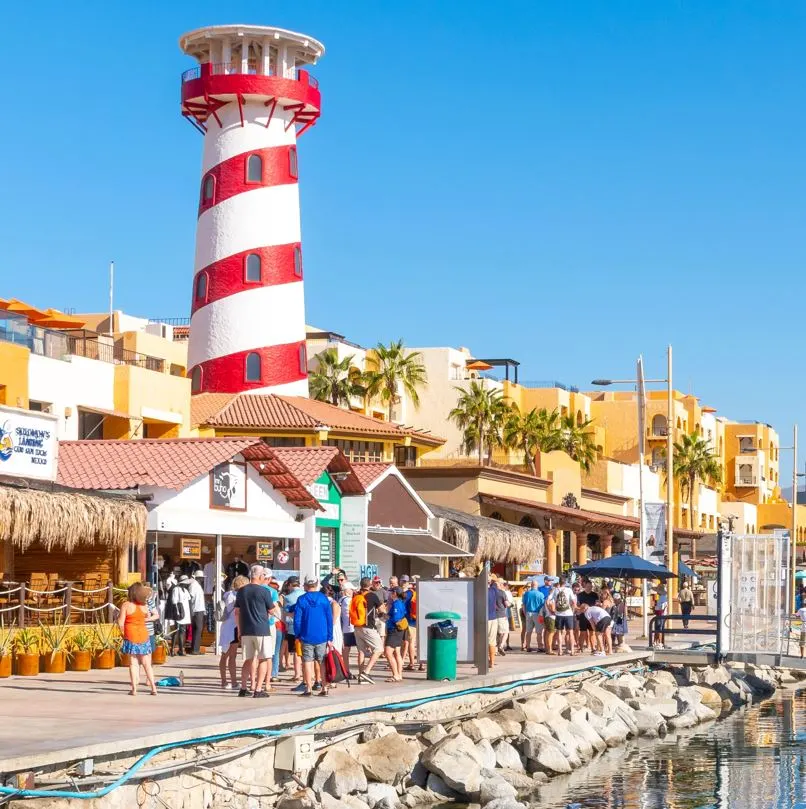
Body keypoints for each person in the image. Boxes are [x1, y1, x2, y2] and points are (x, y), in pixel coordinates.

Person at [235, 564, 278, 698]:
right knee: (264, 659)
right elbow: (271, 610)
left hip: (246, 629)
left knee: (248, 659)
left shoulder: (241, 591)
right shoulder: (264, 591)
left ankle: (243, 688)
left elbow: (237, 612)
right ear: (260, 576)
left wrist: (239, 630)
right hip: (261, 629)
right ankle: (258, 689)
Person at [117, 583, 159, 697]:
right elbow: (148, 617)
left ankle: (134, 688)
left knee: (133, 663)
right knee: (147, 664)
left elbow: (121, 622)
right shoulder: (144, 606)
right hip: (144, 635)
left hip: (131, 635)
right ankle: (153, 688)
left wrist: (122, 633)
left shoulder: (126, 605)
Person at [294, 576, 334, 697]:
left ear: (305, 585)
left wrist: (298, 634)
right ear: (317, 584)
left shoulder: (301, 599)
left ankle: (309, 688)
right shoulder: (324, 599)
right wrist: (330, 637)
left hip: (306, 635)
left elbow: (297, 620)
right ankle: (324, 687)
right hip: (322, 635)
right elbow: (329, 619)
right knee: (322, 661)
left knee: (307, 661)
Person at [351, 577, 384, 684]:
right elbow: (382, 610)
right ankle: (366, 672)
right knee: (379, 649)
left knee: (361, 651)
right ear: (370, 585)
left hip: (357, 627)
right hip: (368, 627)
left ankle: (361, 677)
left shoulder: (356, 596)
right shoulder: (372, 596)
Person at [219, 575, 248, 689]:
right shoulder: (239, 596)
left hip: (226, 626)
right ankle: (234, 681)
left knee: (224, 655)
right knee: (232, 656)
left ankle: (224, 681)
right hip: (235, 626)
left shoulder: (227, 594)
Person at [548, 576, 577, 656]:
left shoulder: (555, 590)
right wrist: (573, 610)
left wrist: (551, 610)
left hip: (559, 614)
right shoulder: (569, 590)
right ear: (565, 582)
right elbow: (574, 602)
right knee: (570, 632)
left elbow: (548, 600)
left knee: (559, 632)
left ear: (559, 582)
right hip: (568, 614)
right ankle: (572, 651)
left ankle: (560, 651)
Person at [283, 576, 304, 684]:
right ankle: (310, 675)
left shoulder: (288, 597)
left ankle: (297, 675)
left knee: (296, 652)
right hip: (305, 627)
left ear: (290, 585)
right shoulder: (304, 595)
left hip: (293, 627)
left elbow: (287, 614)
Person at [384, 587, 407, 682]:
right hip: (399, 630)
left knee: (388, 652)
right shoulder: (401, 602)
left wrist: (389, 618)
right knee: (397, 652)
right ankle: (399, 674)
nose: (390, 594)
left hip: (394, 630)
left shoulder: (397, 603)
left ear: (395, 593)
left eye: (391, 592)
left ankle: (396, 674)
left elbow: (396, 618)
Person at [166, 574, 191, 656]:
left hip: (185, 613)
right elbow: (174, 601)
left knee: (182, 631)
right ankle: (172, 649)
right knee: (176, 631)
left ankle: (181, 649)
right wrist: (177, 612)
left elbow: (188, 600)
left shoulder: (186, 590)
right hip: (179, 612)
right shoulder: (176, 589)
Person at [487, 575, 506, 668]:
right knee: (491, 641)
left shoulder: (477, 590)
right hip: (492, 618)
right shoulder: (493, 590)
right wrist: (492, 577)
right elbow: (496, 583)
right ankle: (491, 662)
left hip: (480, 618)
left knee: (480, 641)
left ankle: (483, 660)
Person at [339, 581, 357, 678]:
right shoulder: (349, 600)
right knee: (347, 651)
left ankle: (345, 670)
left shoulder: (341, 599)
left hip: (343, 628)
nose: (353, 591)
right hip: (350, 628)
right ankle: (346, 671)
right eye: (352, 589)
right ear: (348, 590)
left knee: (345, 651)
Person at [522, 580, 545, 652]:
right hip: (537, 614)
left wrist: (525, 613)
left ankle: (528, 646)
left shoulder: (527, 593)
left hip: (528, 613)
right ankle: (540, 646)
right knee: (539, 632)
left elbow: (524, 605)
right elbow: (542, 606)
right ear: (537, 586)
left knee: (528, 631)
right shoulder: (541, 594)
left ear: (531, 585)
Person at [187, 571, 207, 654]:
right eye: (201, 578)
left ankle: (195, 648)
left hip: (199, 609)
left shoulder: (196, 585)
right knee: (198, 629)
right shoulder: (194, 585)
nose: (202, 579)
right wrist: (191, 611)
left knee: (197, 629)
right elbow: (190, 598)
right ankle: (195, 649)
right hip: (196, 610)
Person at [576, 579, 598, 652]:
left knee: (592, 633)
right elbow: (577, 605)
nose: (589, 587)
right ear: (585, 586)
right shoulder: (580, 595)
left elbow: (597, 604)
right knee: (582, 632)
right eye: (588, 586)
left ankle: (593, 648)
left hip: (592, 616)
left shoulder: (595, 595)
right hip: (583, 616)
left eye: (591, 586)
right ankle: (580, 647)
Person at [542, 579, 558, 654]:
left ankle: (547, 648)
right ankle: (549, 649)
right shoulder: (551, 598)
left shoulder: (548, 598)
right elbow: (552, 609)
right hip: (551, 617)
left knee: (548, 632)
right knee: (551, 633)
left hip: (547, 616)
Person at [653, 585, 668, 649]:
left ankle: (659, 642)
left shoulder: (662, 598)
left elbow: (661, 607)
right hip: (661, 614)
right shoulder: (663, 597)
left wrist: (655, 608)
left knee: (659, 628)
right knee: (659, 628)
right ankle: (657, 642)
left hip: (660, 615)